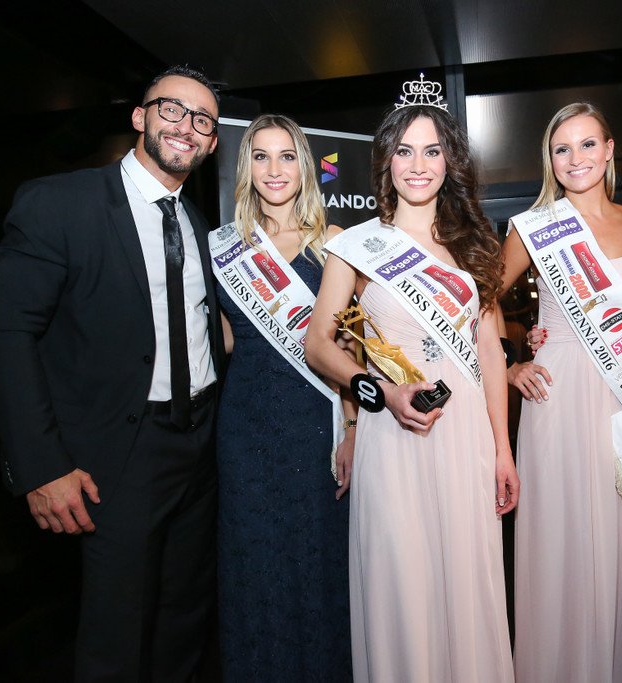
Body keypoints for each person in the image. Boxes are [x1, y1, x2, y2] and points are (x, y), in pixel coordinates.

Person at [0, 65, 225, 681]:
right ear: (139, 116)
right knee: (116, 634)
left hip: (199, 451)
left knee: (183, 619)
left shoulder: (198, 223)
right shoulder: (61, 203)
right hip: (117, 457)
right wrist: (41, 465)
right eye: (170, 109)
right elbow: (3, 335)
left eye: (202, 120)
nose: (185, 126)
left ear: (213, 141)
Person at [305, 96, 518, 682]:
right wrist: (378, 391)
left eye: (432, 151)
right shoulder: (356, 245)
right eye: (404, 151)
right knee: (402, 581)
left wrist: (502, 450)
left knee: (468, 579)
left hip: (466, 434)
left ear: (450, 161)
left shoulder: (473, 244)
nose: (418, 165)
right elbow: (318, 342)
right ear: (386, 161)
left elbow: (489, 352)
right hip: (392, 433)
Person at [501, 102, 622, 682]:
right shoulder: (534, 226)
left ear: (609, 150)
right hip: (560, 394)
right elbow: (478, 302)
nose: (576, 159)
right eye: (562, 148)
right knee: (566, 541)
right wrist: (511, 363)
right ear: (550, 159)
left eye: (588, 144)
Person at [210, 114, 354, 680]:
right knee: (255, 564)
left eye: (287, 156)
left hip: (316, 421)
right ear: (246, 167)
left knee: (319, 561)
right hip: (245, 427)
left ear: (305, 167)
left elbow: (353, 346)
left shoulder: (333, 243)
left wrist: (353, 426)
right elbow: (225, 341)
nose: (275, 169)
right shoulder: (225, 249)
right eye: (262, 156)